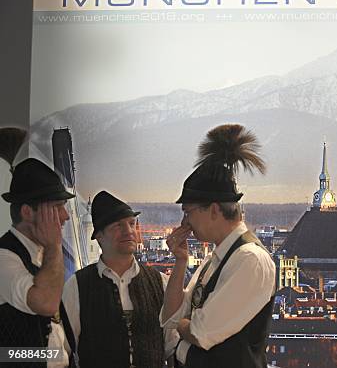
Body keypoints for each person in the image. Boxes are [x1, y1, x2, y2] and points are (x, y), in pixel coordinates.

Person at [161, 124, 276, 368]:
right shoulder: (215, 259)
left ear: (213, 210)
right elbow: (171, 317)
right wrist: (180, 261)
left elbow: (202, 332)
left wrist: (185, 325)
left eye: (189, 212)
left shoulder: (250, 260)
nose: (185, 222)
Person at [62, 190, 179, 368]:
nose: (128, 231)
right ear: (99, 236)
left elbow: (171, 345)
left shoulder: (159, 282)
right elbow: (64, 350)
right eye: (118, 226)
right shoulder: (77, 286)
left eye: (131, 224)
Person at [0, 157, 76, 368]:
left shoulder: (42, 256)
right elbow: (45, 303)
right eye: (57, 207)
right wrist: (54, 246)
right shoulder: (4, 257)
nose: (65, 216)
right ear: (27, 212)